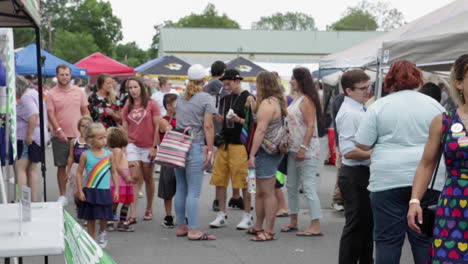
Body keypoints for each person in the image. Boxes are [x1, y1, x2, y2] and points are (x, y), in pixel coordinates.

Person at [355, 60, 445, 264]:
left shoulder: (379, 106)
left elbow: (362, 144)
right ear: (418, 79)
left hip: (388, 179)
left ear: (389, 80)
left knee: (387, 241)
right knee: (424, 240)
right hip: (429, 180)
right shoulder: (434, 106)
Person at [408, 54, 468, 264]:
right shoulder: (444, 121)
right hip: (454, 207)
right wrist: (415, 200)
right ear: (459, 83)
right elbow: (426, 164)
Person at [174, 64, 216, 240]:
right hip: (195, 144)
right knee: (194, 191)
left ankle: (181, 225)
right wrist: (211, 149)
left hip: (179, 144)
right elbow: (208, 125)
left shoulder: (181, 97)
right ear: (204, 80)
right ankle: (193, 229)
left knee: (181, 188)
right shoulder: (206, 98)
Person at [209, 69, 255, 230]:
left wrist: (238, 119)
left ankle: (248, 215)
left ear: (237, 81)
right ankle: (221, 214)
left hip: (240, 145)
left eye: (228, 84)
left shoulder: (248, 97)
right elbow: (223, 122)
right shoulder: (225, 99)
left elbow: (252, 124)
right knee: (219, 180)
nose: (226, 87)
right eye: (224, 84)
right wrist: (219, 118)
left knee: (243, 181)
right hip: (224, 143)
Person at [335, 70, 373, 264]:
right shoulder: (350, 113)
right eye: (363, 88)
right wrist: (378, 153)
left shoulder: (358, 108)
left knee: (365, 226)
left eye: (369, 86)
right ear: (349, 90)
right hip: (355, 174)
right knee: (356, 226)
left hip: (359, 173)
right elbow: (348, 151)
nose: (368, 91)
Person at [281, 67, 323, 236]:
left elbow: (311, 125)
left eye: (293, 78)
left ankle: (315, 224)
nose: (290, 81)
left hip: (306, 151)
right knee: (291, 186)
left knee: (309, 187)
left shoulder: (306, 100)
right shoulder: (298, 100)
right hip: (293, 149)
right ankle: (293, 220)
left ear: (300, 80)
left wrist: (303, 148)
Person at [247, 71, 286, 242]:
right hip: (275, 150)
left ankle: (268, 230)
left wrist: (252, 154)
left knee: (267, 192)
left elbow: (261, 130)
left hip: (265, 151)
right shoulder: (277, 101)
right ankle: (259, 226)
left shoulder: (267, 104)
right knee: (261, 192)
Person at [47, 64, 90, 206]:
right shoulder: (52, 93)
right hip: (60, 135)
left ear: (70, 76)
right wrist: (58, 130)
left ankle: (82, 193)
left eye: (66, 74)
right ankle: (63, 195)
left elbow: (85, 111)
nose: (64, 77)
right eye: (61, 74)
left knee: (83, 165)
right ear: (56, 75)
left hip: (79, 135)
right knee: (61, 165)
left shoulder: (79, 91)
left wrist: (90, 129)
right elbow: (51, 114)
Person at [122, 77, 161, 223]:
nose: (133, 90)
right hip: (133, 145)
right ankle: (132, 214)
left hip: (149, 146)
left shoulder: (152, 104)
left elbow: (157, 126)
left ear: (141, 88)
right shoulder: (127, 106)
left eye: (135, 87)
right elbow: (125, 127)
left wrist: (155, 147)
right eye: (130, 88)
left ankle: (149, 208)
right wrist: (124, 146)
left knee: (148, 178)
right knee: (135, 178)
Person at [75, 123, 119, 248]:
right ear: (90, 140)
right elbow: (78, 173)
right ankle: (91, 240)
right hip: (90, 190)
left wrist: (116, 189)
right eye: (100, 138)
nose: (104, 140)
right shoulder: (85, 155)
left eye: (105, 137)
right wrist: (80, 190)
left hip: (104, 190)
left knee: (104, 215)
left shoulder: (109, 154)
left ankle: (102, 232)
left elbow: (114, 172)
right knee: (91, 217)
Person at [15, 75, 49, 202]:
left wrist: (28, 135)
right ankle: (33, 200)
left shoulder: (26, 97)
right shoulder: (33, 93)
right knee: (31, 168)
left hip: (29, 137)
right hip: (38, 136)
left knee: (21, 167)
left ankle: (24, 201)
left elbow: (34, 115)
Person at [107, 127, 135, 232]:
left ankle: (120, 221)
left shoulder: (119, 151)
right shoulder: (117, 150)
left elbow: (121, 164)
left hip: (123, 179)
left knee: (126, 201)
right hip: (120, 180)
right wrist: (126, 176)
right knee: (116, 201)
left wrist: (129, 165)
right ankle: (111, 220)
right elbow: (116, 166)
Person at [157, 93, 178, 228]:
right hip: (169, 157)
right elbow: (172, 132)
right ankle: (168, 215)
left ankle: (183, 214)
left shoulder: (183, 117)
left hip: (182, 157)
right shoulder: (163, 120)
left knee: (183, 188)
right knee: (168, 188)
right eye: (177, 104)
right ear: (169, 106)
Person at [65, 116, 92, 208]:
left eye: (88, 126)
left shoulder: (92, 141)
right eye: (83, 126)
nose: (85, 128)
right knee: (76, 191)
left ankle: (86, 210)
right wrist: (68, 170)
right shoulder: (74, 141)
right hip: (76, 168)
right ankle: (79, 206)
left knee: (87, 190)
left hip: (88, 168)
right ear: (78, 127)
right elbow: (71, 157)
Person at [331, 93, 346, 212]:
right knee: (342, 170)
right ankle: (337, 199)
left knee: (342, 171)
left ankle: (339, 199)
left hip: (342, 141)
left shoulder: (339, 99)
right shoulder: (341, 100)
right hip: (343, 141)